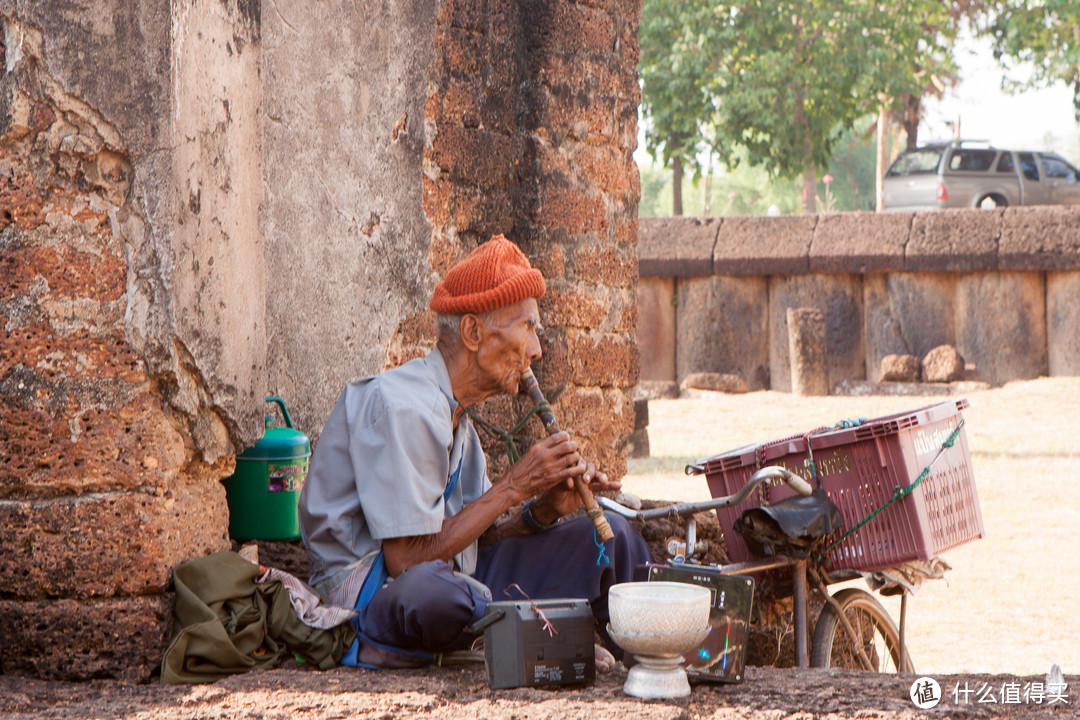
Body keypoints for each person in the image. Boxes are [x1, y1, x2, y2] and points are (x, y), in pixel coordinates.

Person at [298, 234, 652, 669]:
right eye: (527, 327)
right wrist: (513, 485)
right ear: (472, 331)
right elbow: (406, 560)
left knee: (611, 541)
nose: (537, 350)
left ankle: (655, 658)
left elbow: (475, 538)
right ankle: (536, 634)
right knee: (434, 591)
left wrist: (541, 509)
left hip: (464, 587)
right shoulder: (403, 405)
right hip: (374, 601)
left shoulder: (458, 420)